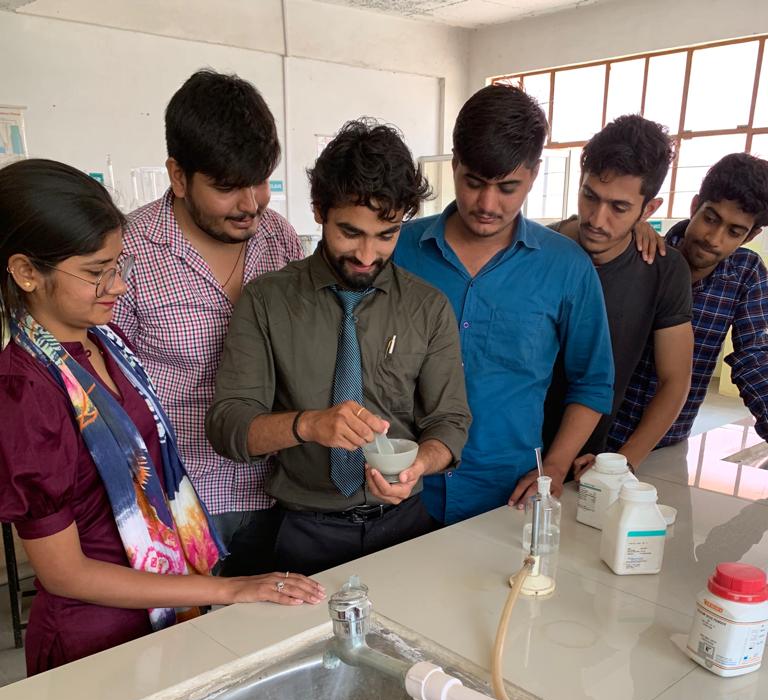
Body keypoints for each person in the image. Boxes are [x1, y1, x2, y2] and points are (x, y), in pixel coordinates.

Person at [0, 160, 323, 675]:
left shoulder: (105, 341)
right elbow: (64, 573)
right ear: (25, 272)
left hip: (161, 614)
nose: (118, 286)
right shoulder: (25, 391)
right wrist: (227, 589)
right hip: (95, 641)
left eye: (119, 265)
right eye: (95, 272)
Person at [206, 120, 471, 576]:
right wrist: (308, 424)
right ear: (319, 211)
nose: (367, 255)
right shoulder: (267, 301)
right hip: (304, 533)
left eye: (386, 235)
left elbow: (450, 421)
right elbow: (229, 426)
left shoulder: (427, 307)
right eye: (350, 232)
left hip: (405, 527)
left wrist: (418, 466)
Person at [394, 84, 614, 524]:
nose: (487, 204)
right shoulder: (399, 249)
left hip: (508, 496)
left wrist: (554, 467)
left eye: (508, 188)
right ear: (454, 165)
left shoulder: (566, 267)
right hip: (401, 490)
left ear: (533, 174)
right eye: (473, 183)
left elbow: (592, 382)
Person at [112, 69, 304, 573]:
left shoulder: (279, 239)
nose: (250, 205)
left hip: (278, 489)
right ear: (178, 176)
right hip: (180, 500)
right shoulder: (128, 253)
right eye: (226, 188)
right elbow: (109, 395)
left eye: (259, 181)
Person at [542, 115, 693, 476]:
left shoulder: (663, 270)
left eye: (619, 207)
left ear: (649, 209)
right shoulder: (537, 253)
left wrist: (623, 461)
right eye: (589, 196)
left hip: (585, 462)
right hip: (510, 453)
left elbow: (675, 380)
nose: (597, 219)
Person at [611, 152, 768, 449]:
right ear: (695, 206)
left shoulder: (746, 274)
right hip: (600, 432)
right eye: (710, 219)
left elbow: (754, 357)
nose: (714, 238)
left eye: (734, 231)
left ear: (750, 236)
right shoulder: (642, 252)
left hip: (669, 442)